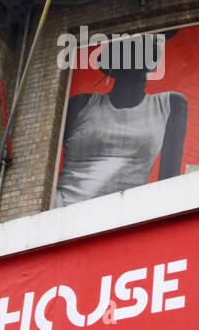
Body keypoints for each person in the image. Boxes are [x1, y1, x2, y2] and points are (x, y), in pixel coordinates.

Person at [54, 32, 187, 207]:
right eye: (133, 61)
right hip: (64, 214)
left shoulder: (171, 105)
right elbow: (43, 167)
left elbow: (169, 186)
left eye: (147, 59)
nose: (140, 72)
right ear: (116, 67)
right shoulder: (82, 104)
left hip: (123, 219)